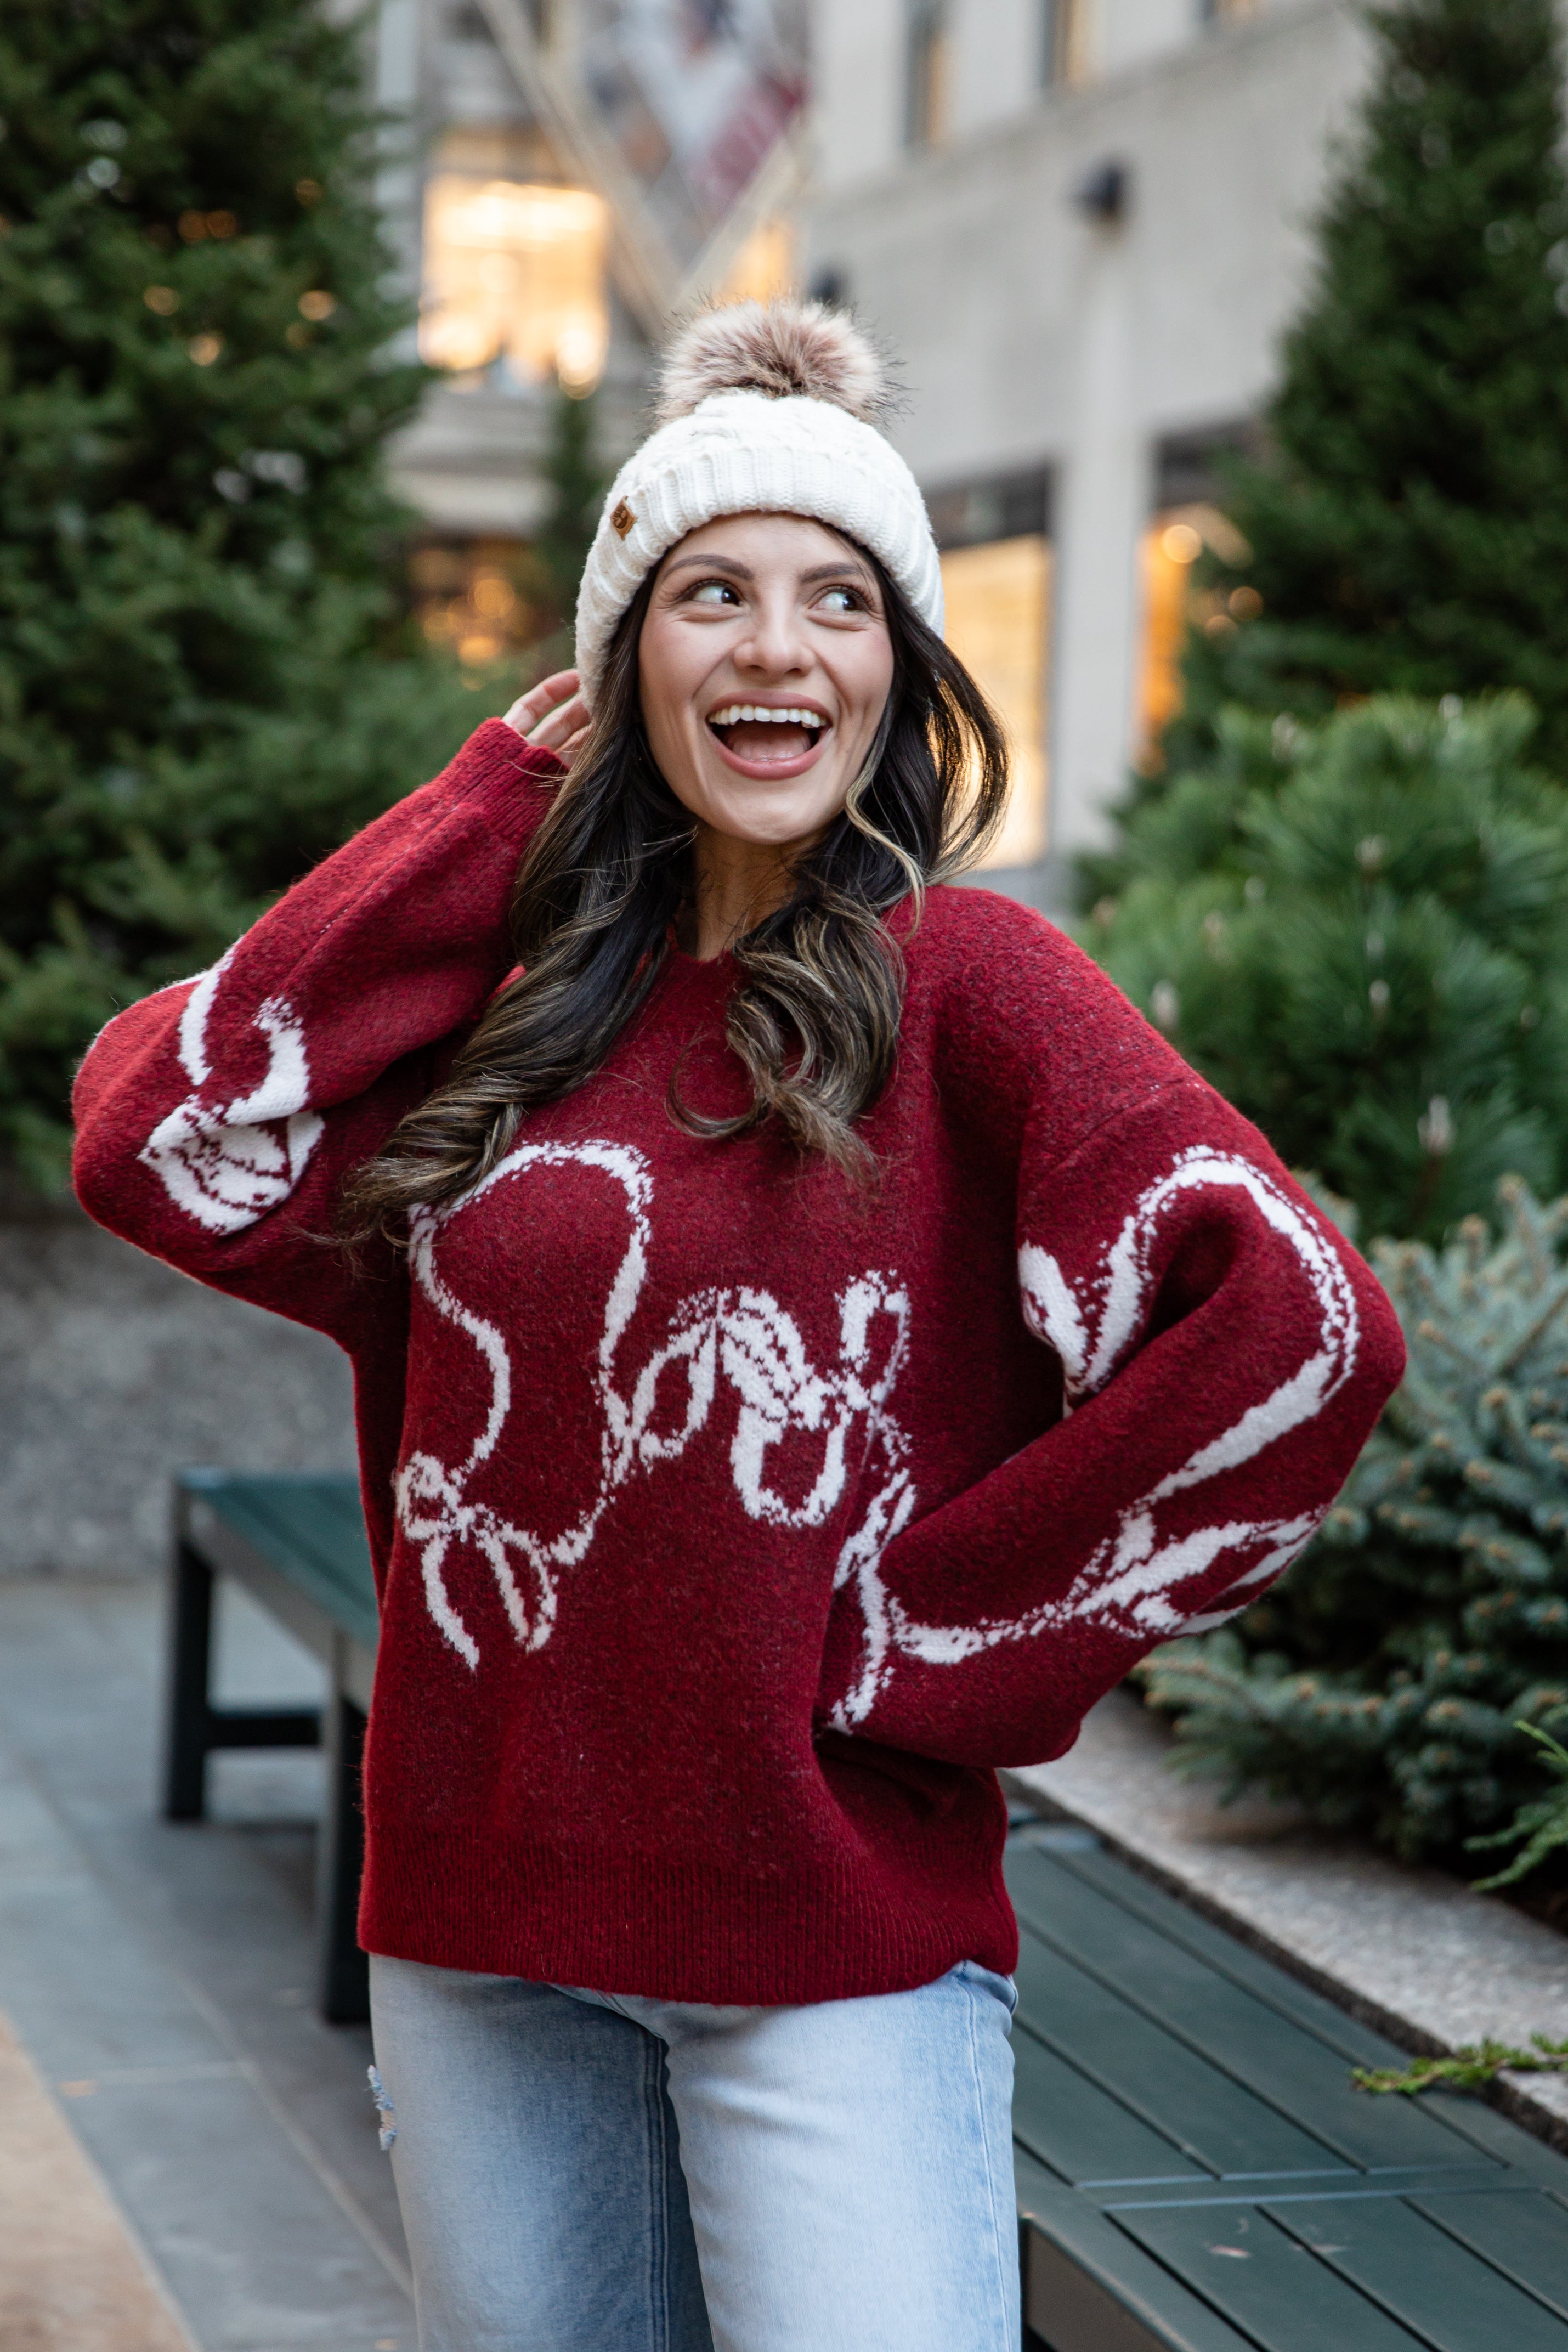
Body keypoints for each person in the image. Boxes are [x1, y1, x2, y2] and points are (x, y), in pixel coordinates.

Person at [72, 301, 1405, 2352]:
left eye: (837, 601)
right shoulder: (515, 1029)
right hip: (479, 1928)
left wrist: (925, 1642)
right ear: (622, 673)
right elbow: (166, 1136)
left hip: (830, 1945)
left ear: (897, 668)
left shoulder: (973, 989)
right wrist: (490, 811)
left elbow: (1297, 1340)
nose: (777, 648)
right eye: (709, 595)